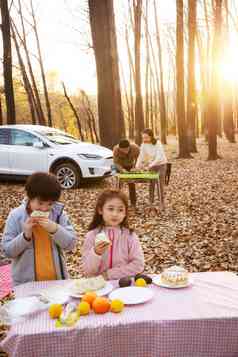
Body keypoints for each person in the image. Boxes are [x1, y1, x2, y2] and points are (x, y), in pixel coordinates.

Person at [2, 172, 76, 286]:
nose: (45, 208)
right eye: (40, 203)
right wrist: (25, 236)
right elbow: (7, 252)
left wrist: (55, 229)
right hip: (26, 285)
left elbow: (71, 244)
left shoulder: (58, 215)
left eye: (50, 204)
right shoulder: (16, 216)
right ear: (29, 197)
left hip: (57, 281)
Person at [81, 189, 144, 280]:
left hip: (124, 285)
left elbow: (138, 265)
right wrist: (96, 253)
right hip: (98, 287)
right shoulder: (91, 236)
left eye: (120, 210)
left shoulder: (130, 236)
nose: (115, 214)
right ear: (100, 210)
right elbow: (87, 271)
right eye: (110, 209)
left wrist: (108, 274)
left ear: (125, 213)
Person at [136, 128, 167, 209]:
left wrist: (149, 166)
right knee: (151, 184)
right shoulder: (143, 145)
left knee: (160, 185)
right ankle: (151, 203)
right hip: (151, 166)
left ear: (151, 136)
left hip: (161, 165)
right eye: (143, 137)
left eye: (146, 137)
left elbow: (159, 157)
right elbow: (141, 156)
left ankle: (161, 203)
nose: (144, 139)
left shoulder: (158, 143)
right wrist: (137, 166)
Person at [113, 139, 140, 207]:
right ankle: (118, 202)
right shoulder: (116, 149)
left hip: (130, 165)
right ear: (119, 148)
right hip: (120, 166)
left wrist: (135, 167)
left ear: (129, 147)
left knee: (131, 183)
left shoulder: (135, 148)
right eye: (123, 150)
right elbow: (115, 163)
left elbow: (139, 159)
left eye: (126, 150)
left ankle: (133, 203)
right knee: (118, 184)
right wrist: (122, 170)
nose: (125, 152)